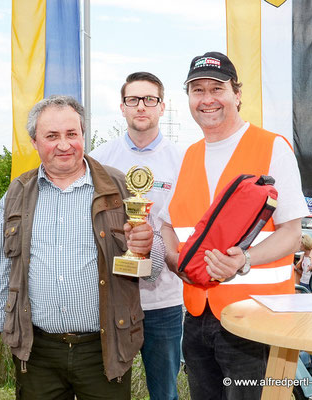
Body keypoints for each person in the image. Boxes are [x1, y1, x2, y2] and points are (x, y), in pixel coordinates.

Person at [0, 95, 155, 399]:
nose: (64, 145)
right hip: (38, 351)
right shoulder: (16, 194)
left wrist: (148, 246)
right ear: (34, 141)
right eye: (52, 136)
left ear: (84, 135)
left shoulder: (119, 187)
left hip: (105, 350)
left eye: (72, 134)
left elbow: (152, 267)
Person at [160, 51, 308, 400]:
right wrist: (173, 261)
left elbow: (292, 233)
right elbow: (167, 226)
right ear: (189, 98)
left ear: (236, 94)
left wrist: (244, 260)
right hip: (197, 317)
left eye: (217, 88)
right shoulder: (187, 156)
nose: (207, 99)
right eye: (198, 90)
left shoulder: (272, 147)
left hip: (258, 317)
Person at [90, 72, 184, 400]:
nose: (141, 106)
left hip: (165, 299)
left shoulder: (184, 160)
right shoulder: (100, 159)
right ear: (122, 107)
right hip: (114, 297)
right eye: (133, 100)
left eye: (149, 100)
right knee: (111, 391)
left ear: (162, 107)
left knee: (165, 393)